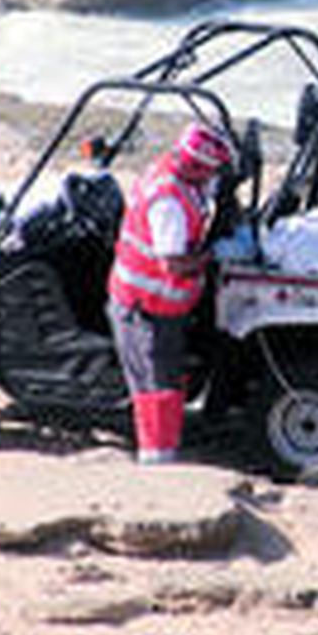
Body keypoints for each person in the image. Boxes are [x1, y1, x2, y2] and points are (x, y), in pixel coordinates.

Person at [106, 121, 237, 465]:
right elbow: (175, 265)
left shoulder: (175, 171)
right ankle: (158, 462)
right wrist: (214, 255)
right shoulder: (169, 205)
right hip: (146, 309)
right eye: (210, 172)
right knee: (156, 391)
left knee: (168, 381)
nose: (213, 178)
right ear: (195, 165)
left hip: (155, 305)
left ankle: (167, 445)